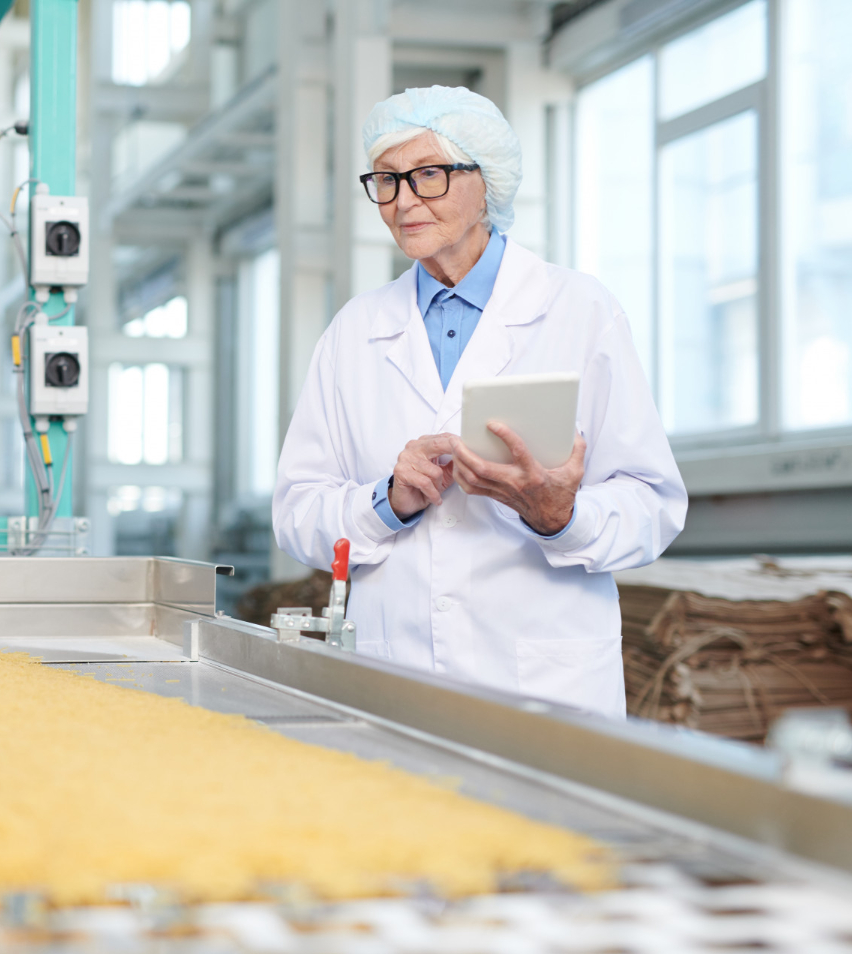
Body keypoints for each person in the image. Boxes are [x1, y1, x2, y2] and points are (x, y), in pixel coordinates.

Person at [272, 86, 686, 718]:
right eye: (386, 181)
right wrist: (387, 502)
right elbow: (298, 511)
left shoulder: (580, 311)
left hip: (543, 687)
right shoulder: (355, 331)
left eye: (427, 175)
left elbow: (653, 506)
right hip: (397, 675)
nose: (403, 200)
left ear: (485, 179)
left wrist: (559, 516)